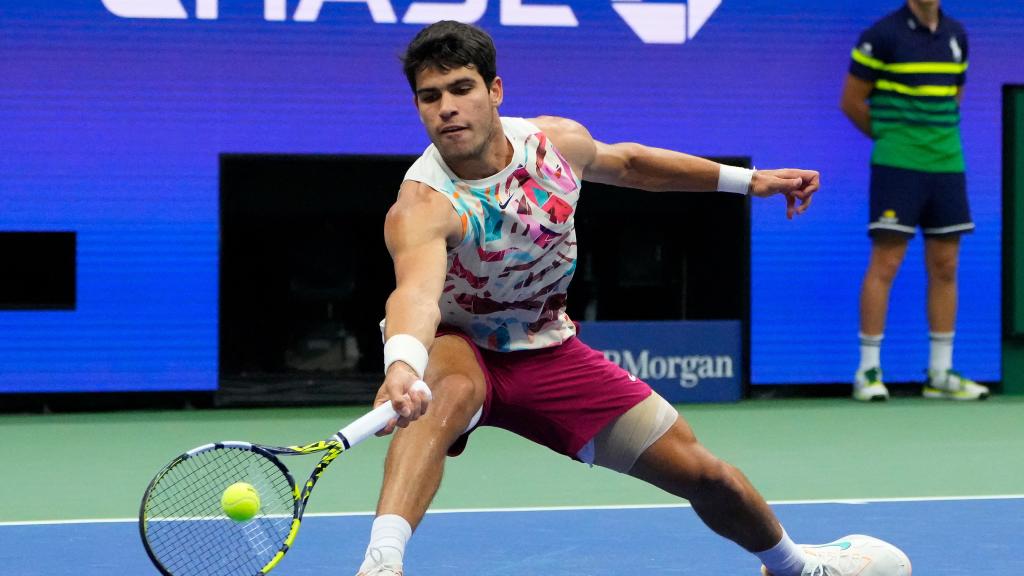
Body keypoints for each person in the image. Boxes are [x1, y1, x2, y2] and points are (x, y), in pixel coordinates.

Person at [358, 20, 910, 576]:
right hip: (456, 342)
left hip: (545, 347)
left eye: (461, 89)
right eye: (430, 97)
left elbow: (632, 165)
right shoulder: (422, 206)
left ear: (494, 90)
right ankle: (382, 563)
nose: (447, 108)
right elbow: (416, 295)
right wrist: (402, 364)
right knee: (446, 387)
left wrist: (749, 181)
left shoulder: (554, 145)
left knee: (703, 473)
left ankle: (796, 568)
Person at [841, 0, 990, 402]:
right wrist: (895, 138)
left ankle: (940, 373)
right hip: (897, 166)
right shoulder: (881, 35)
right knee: (886, 262)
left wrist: (931, 139)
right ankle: (868, 371)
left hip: (947, 164)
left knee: (946, 265)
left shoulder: (956, 35)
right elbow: (851, 101)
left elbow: (953, 96)